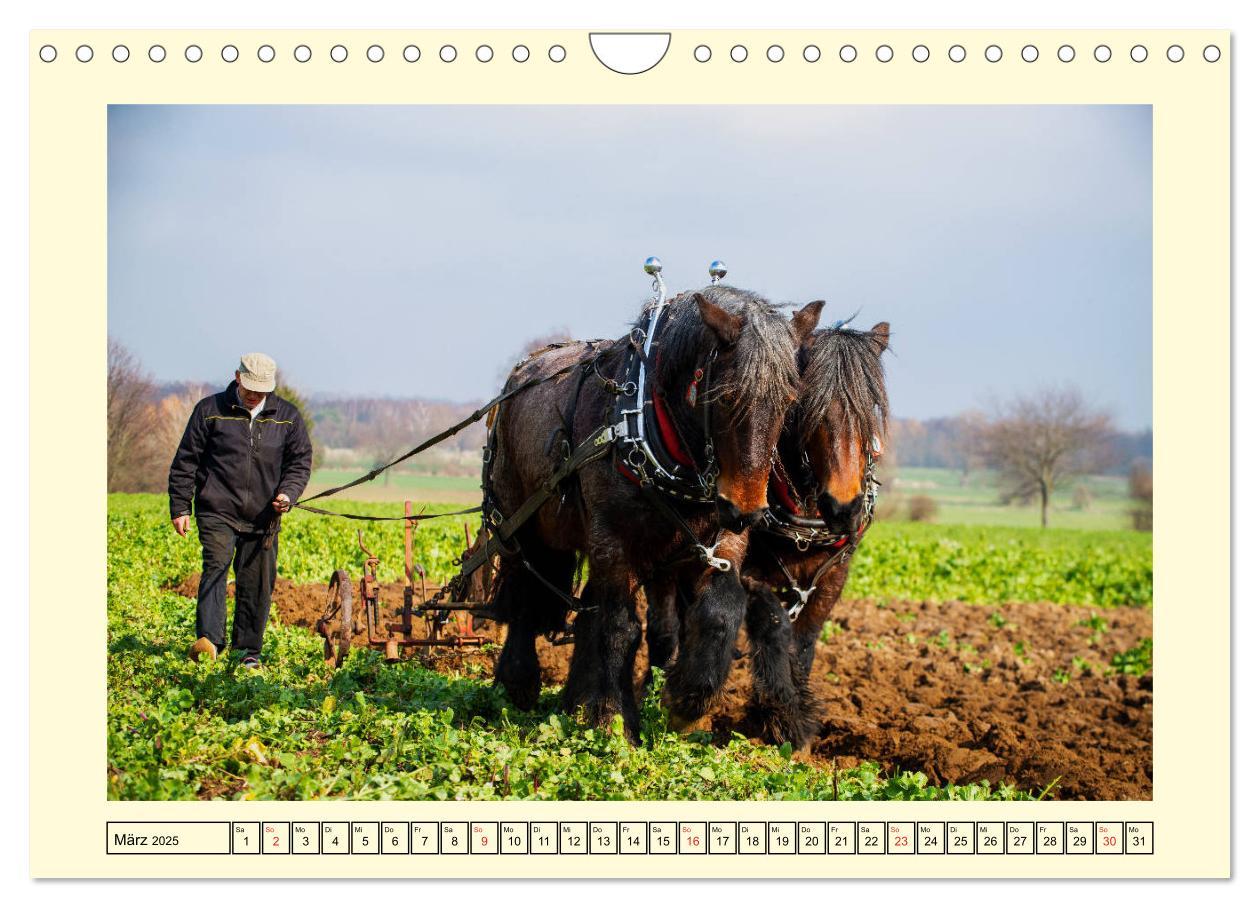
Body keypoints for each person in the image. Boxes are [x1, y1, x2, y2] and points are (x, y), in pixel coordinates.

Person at [168, 353, 313, 669]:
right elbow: (186, 462)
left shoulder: (287, 417)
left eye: (261, 390)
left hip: (264, 516)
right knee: (216, 566)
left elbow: (299, 462)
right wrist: (180, 506)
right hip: (217, 508)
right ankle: (209, 642)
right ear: (237, 377)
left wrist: (288, 493)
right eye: (250, 388)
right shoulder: (209, 411)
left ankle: (248, 651)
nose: (254, 395)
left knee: (258, 581)